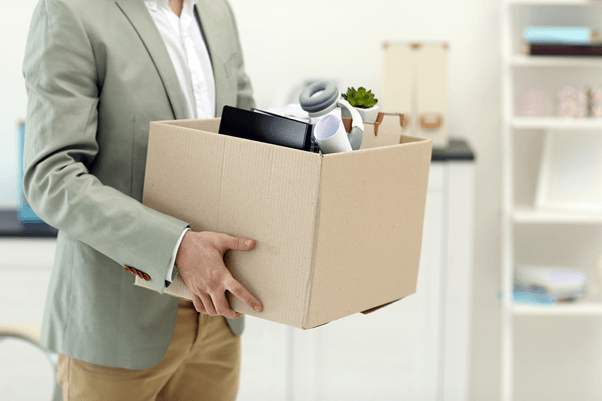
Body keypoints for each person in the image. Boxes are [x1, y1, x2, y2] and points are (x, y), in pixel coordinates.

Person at [22, 0, 262, 399]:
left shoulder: (217, 11)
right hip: (116, 327)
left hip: (219, 317)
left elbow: (247, 142)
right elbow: (51, 176)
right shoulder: (70, 11)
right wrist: (177, 246)